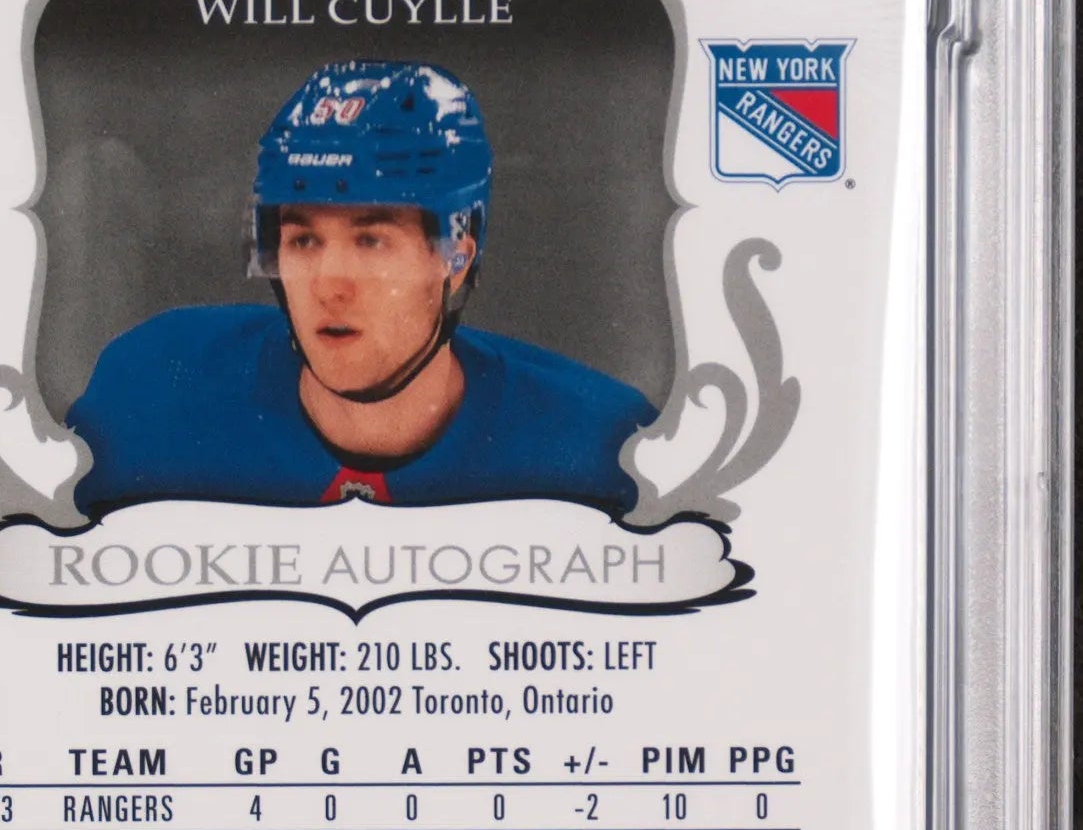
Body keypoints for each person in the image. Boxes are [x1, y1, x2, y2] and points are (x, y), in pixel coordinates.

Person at [67, 60, 654, 510]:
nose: (330, 287)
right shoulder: (152, 383)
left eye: (372, 241)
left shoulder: (605, 446)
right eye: (303, 240)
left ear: (456, 256)